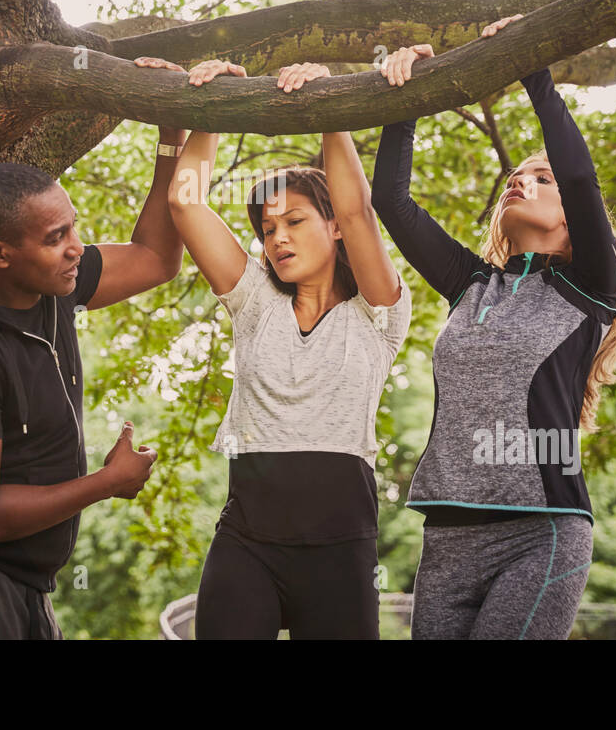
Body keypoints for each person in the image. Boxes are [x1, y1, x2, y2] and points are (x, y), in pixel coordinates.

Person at [370, 13, 616, 640]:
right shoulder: (472, 284)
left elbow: (578, 175)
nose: (522, 179)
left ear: (576, 221)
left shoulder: (589, 286)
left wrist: (531, 66)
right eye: (518, 176)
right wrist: (407, 98)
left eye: (541, 180)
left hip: (539, 533)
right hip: (446, 535)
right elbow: (392, 202)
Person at [133, 54, 413, 639]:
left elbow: (360, 209)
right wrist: (211, 110)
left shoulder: (376, 313)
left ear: (333, 227)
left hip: (340, 553)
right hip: (247, 545)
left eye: (295, 221)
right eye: (267, 229)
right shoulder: (257, 304)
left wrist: (331, 110)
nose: (278, 237)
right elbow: (185, 204)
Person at [0, 120, 188, 639]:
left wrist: (174, 134)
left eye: (73, 228)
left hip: (16, 591)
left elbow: (156, 258)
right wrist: (107, 484)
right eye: (56, 237)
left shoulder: (51, 284)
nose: (76, 248)